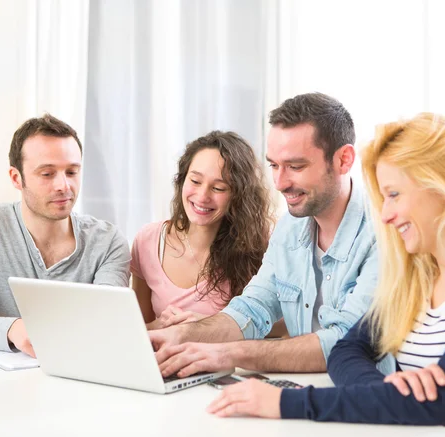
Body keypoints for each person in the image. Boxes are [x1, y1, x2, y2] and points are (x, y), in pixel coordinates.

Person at [207, 113, 445, 437]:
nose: (385, 215)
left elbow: (440, 404)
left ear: (443, 187)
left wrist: (282, 402)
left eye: (394, 195)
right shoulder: (419, 272)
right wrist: (388, 392)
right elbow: (346, 350)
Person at [149, 92, 393, 378]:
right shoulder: (291, 226)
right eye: (274, 166)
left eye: (296, 166)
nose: (280, 183)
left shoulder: (385, 234)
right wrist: (184, 335)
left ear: (343, 160)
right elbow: (253, 307)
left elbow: (344, 342)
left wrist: (227, 353)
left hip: (366, 405)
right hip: (300, 396)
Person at [0, 114, 131, 357]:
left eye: (71, 172)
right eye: (47, 174)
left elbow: (105, 326)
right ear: (16, 178)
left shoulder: (108, 242)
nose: (63, 186)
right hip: (2, 387)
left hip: (81, 384)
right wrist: (13, 329)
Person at [131, 131, 273, 329]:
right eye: (195, 181)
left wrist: (213, 325)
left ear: (238, 195)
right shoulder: (148, 241)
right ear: (182, 180)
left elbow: (283, 325)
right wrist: (163, 325)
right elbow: (137, 330)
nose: (202, 196)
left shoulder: (262, 244)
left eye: (219, 188)